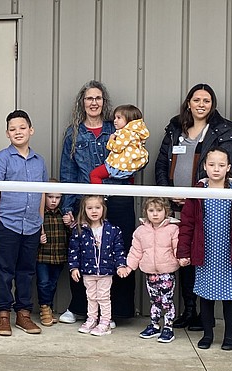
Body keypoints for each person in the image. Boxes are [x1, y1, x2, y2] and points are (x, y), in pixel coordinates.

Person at [153, 83, 232, 332]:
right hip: (173, 205)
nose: (201, 104)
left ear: (213, 105)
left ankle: (203, 313)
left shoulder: (223, 129)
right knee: (181, 255)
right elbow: (160, 163)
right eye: (196, 100)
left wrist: (193, 195)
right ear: (188, 102)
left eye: (206, 101)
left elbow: (222, 165)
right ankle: (188, 309)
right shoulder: (175, 127)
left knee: (201, 255)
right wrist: (169, 192)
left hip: (203, 206)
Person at [57, 80, 138, 325]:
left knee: (118, 253)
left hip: (118, 199)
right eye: (89, 98)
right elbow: (68, 173)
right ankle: (79, 307)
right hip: (86, 202)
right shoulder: (73, 133)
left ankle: (117, 311)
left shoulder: (118, 132)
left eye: (98, 98)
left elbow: (133, 161)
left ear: (105, 103)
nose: (94, 103)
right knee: (84, 254)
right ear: (82, 103)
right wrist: (68, 207)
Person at [177, 147, 232, 351]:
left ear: (228, 167)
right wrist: (184, 251)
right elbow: (187, 225)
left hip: (230, 253)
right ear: (204, 166)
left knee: (229, 297)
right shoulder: (197, 193)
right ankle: (208, 334)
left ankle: (230, 335)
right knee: (206, 296)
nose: (216, 169)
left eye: (221, 165)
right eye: (211, 164)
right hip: (205, 252)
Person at [0, 110, 46, 336]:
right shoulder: (1, 159)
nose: (18, 132)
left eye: (22, 128)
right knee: (4, 271)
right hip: (6, 224)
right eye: (13, 129)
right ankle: (3, 315)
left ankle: (23, 314)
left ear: (30, 130)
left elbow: (42, 193)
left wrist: (40, 222)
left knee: (26, 271)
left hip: (31, 225)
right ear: (7, 133)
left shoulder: (39, 161)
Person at [120, 197, 179, 343]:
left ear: (166, 211)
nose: (155, 214)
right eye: (151, 210)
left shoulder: (172, 229)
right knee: (155, 300)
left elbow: (177, 247)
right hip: (150, 273)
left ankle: (168, 327)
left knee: (167, 301)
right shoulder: (141, 231)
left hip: (166, 272)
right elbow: (135, 251)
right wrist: (129, 267)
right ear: (146, 212)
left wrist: (182, 259)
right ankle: (154, 325)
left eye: (159, 210)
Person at [68, 195, 127, 336]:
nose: (94, 211)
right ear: (84, 210)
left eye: (97, 207)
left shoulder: (112, 230)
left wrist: (121, 265)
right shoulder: (80, 230)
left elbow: (119, 250)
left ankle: (105, 322)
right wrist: (74, 267)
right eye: (90, 208)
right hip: (88, 271)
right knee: (91, 297)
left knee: (103, 297)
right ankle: (92, 319)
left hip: (105, 271)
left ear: (103, 209)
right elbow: (73, 250)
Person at [89, 104, 149, 184]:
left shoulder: (125, 133)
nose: (115, 120)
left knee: (94, 175)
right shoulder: (137, 133)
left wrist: (111, 140)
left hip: (118, 165)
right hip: (130, 166)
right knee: (129, 180)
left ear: (129, 120)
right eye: (115, 118)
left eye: (119, 118)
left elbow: (117, 148)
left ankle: (98, 195)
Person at [35, 184, 67, 327]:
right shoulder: (39, 215)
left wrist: (70, 224)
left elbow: (71, 236)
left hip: (59, 256)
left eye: (57, 197)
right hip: (42, 256)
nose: (54, 201)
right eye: (50, 197)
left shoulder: (63, 215)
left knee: (52, 283)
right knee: (43, 282)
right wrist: (38, 238)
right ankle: (44, 308)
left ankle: (48, 306)